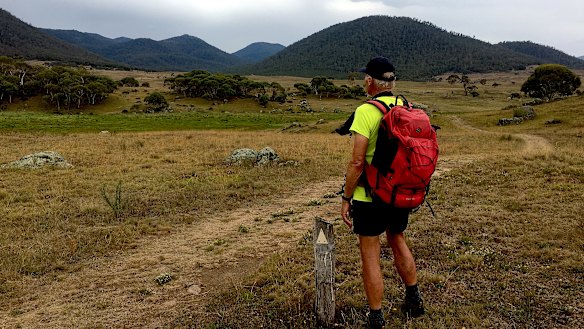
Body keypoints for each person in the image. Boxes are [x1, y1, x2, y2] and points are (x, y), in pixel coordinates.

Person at [340, 56, 425, 328]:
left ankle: (376, 317)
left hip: (371, 195)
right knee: (397, 238)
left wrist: (345, 197)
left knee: (370, 253)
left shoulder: (366, 111)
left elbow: (357, 162)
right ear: (391, 82)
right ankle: (415, 300)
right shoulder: (405, 106)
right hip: (399, 191)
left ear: (369, 82)